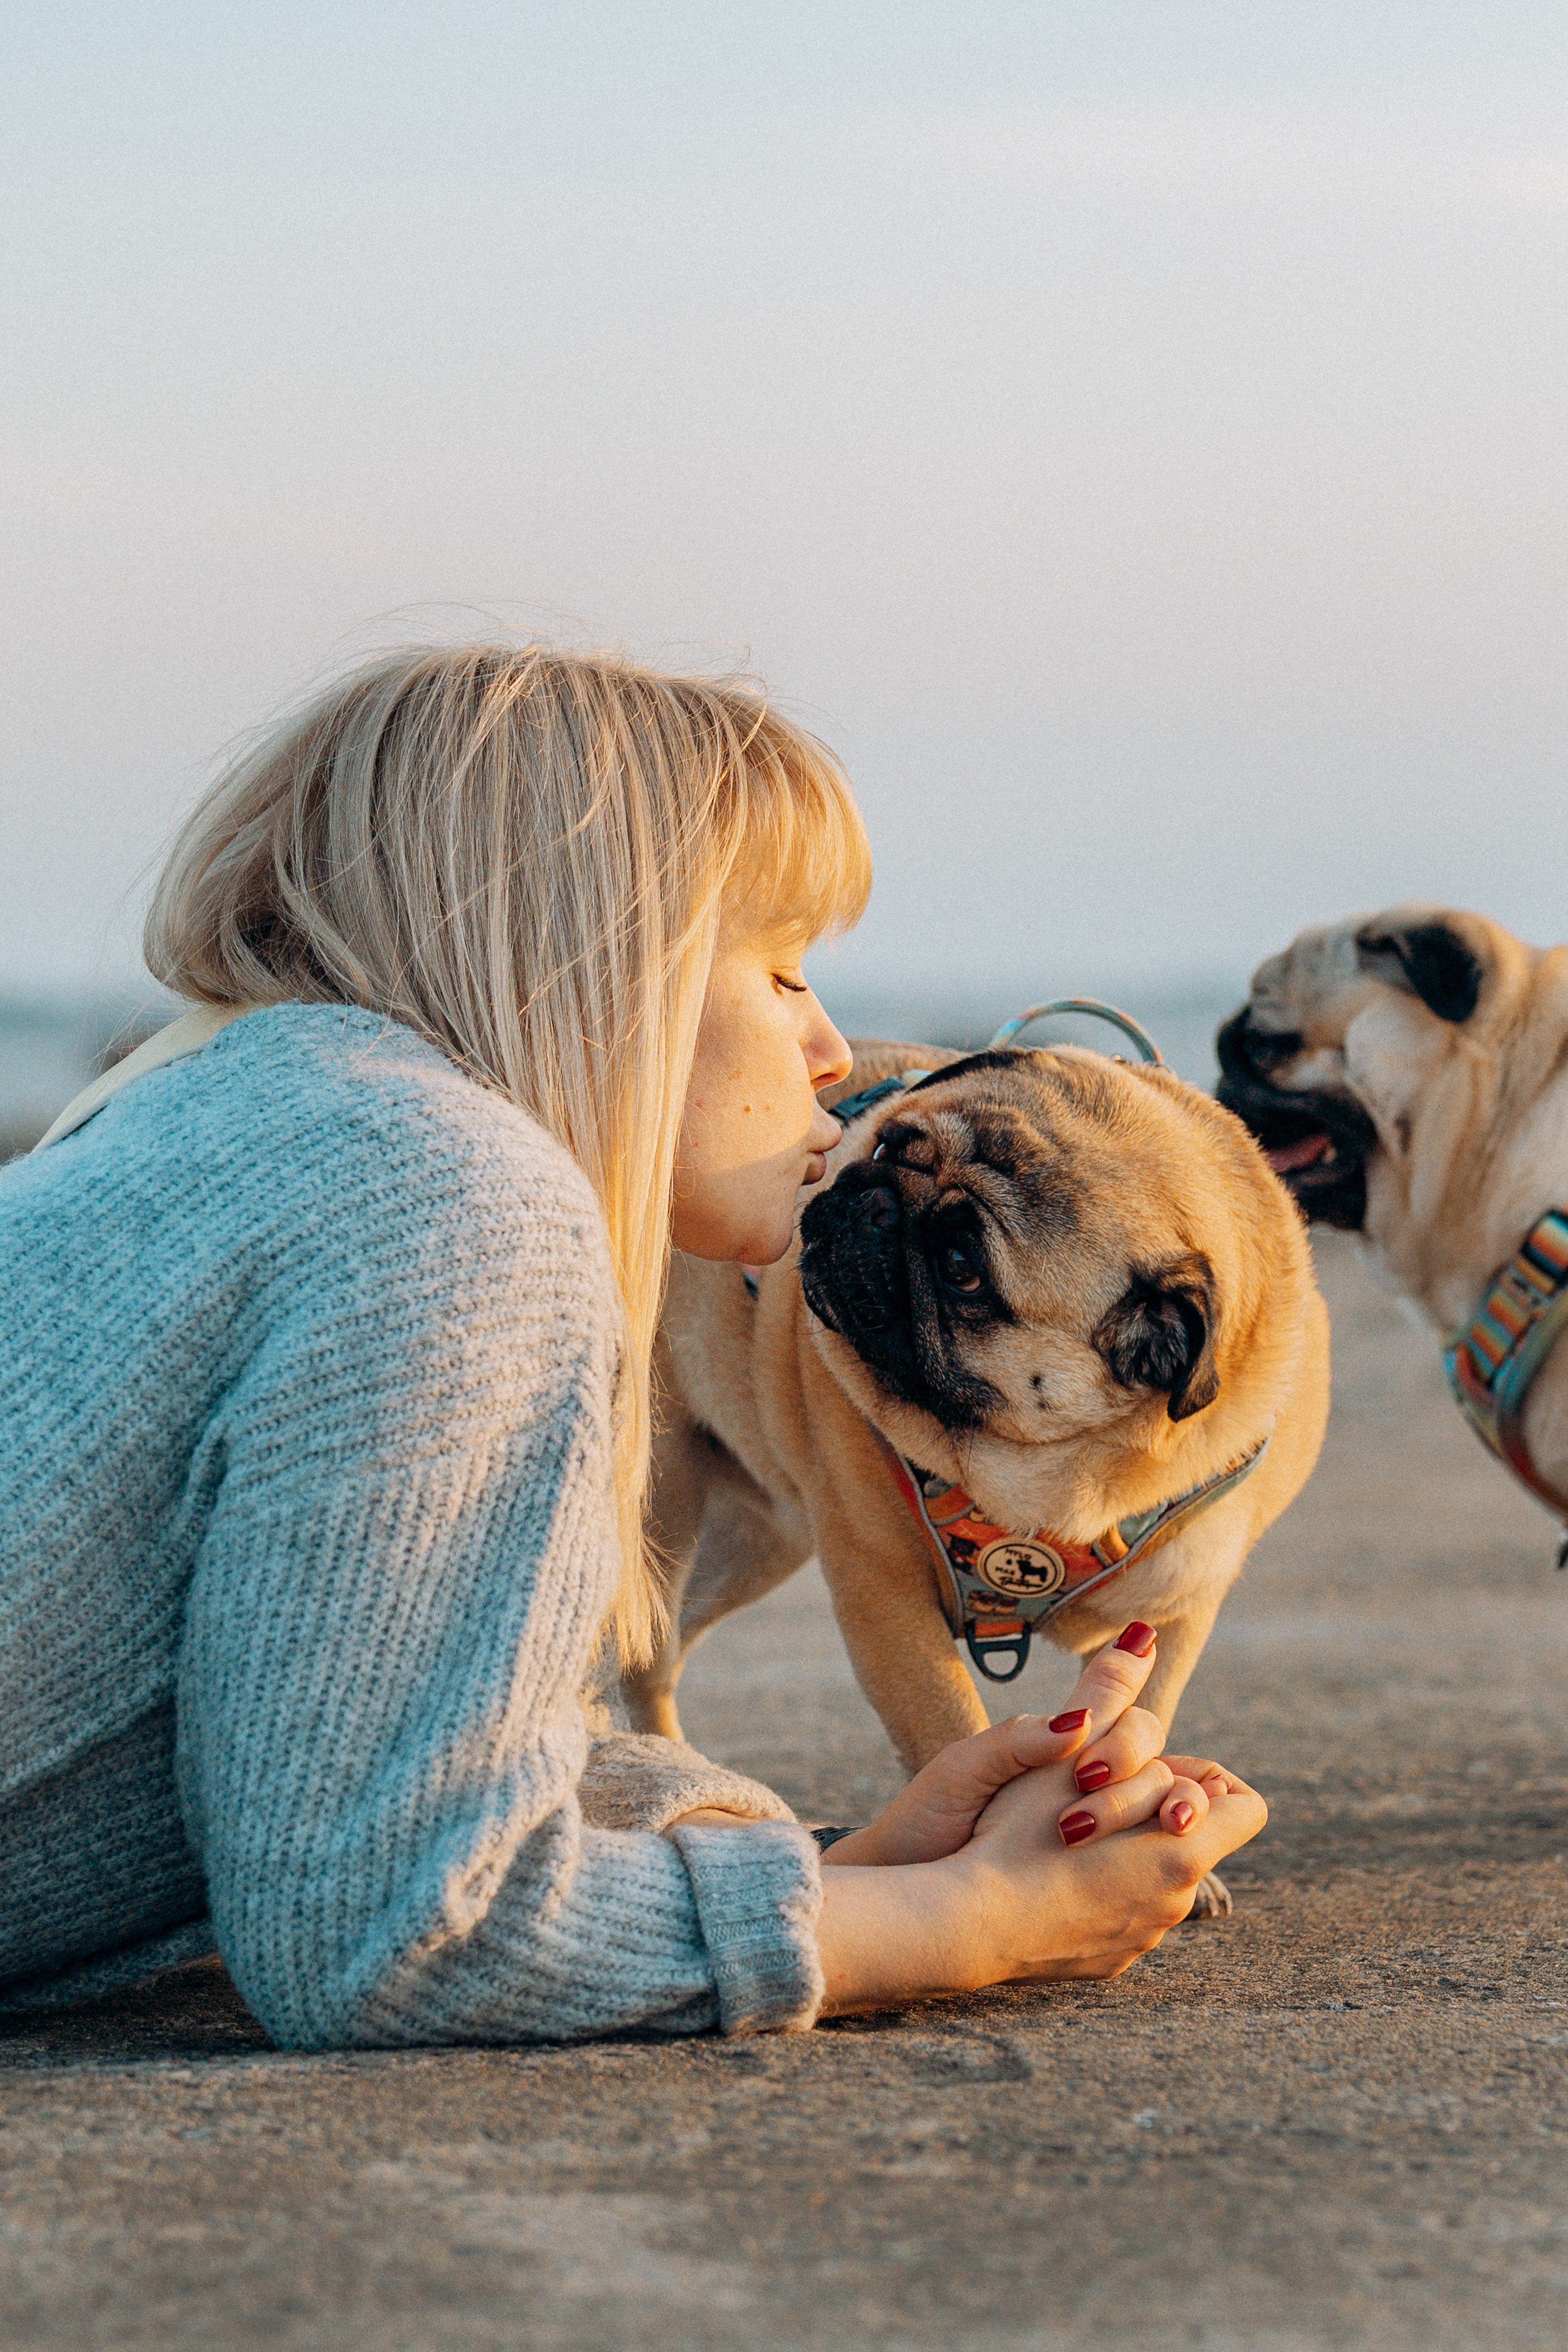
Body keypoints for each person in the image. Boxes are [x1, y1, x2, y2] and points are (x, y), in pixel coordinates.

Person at [0, 645, 1265, 2047]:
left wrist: (841, 1867)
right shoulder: (448, 1200)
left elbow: (343, 1756)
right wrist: (972, 1921)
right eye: (781, 972)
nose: (833, 1049)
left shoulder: (239, 1121)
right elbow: (390, 1925)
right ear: (603, 970)